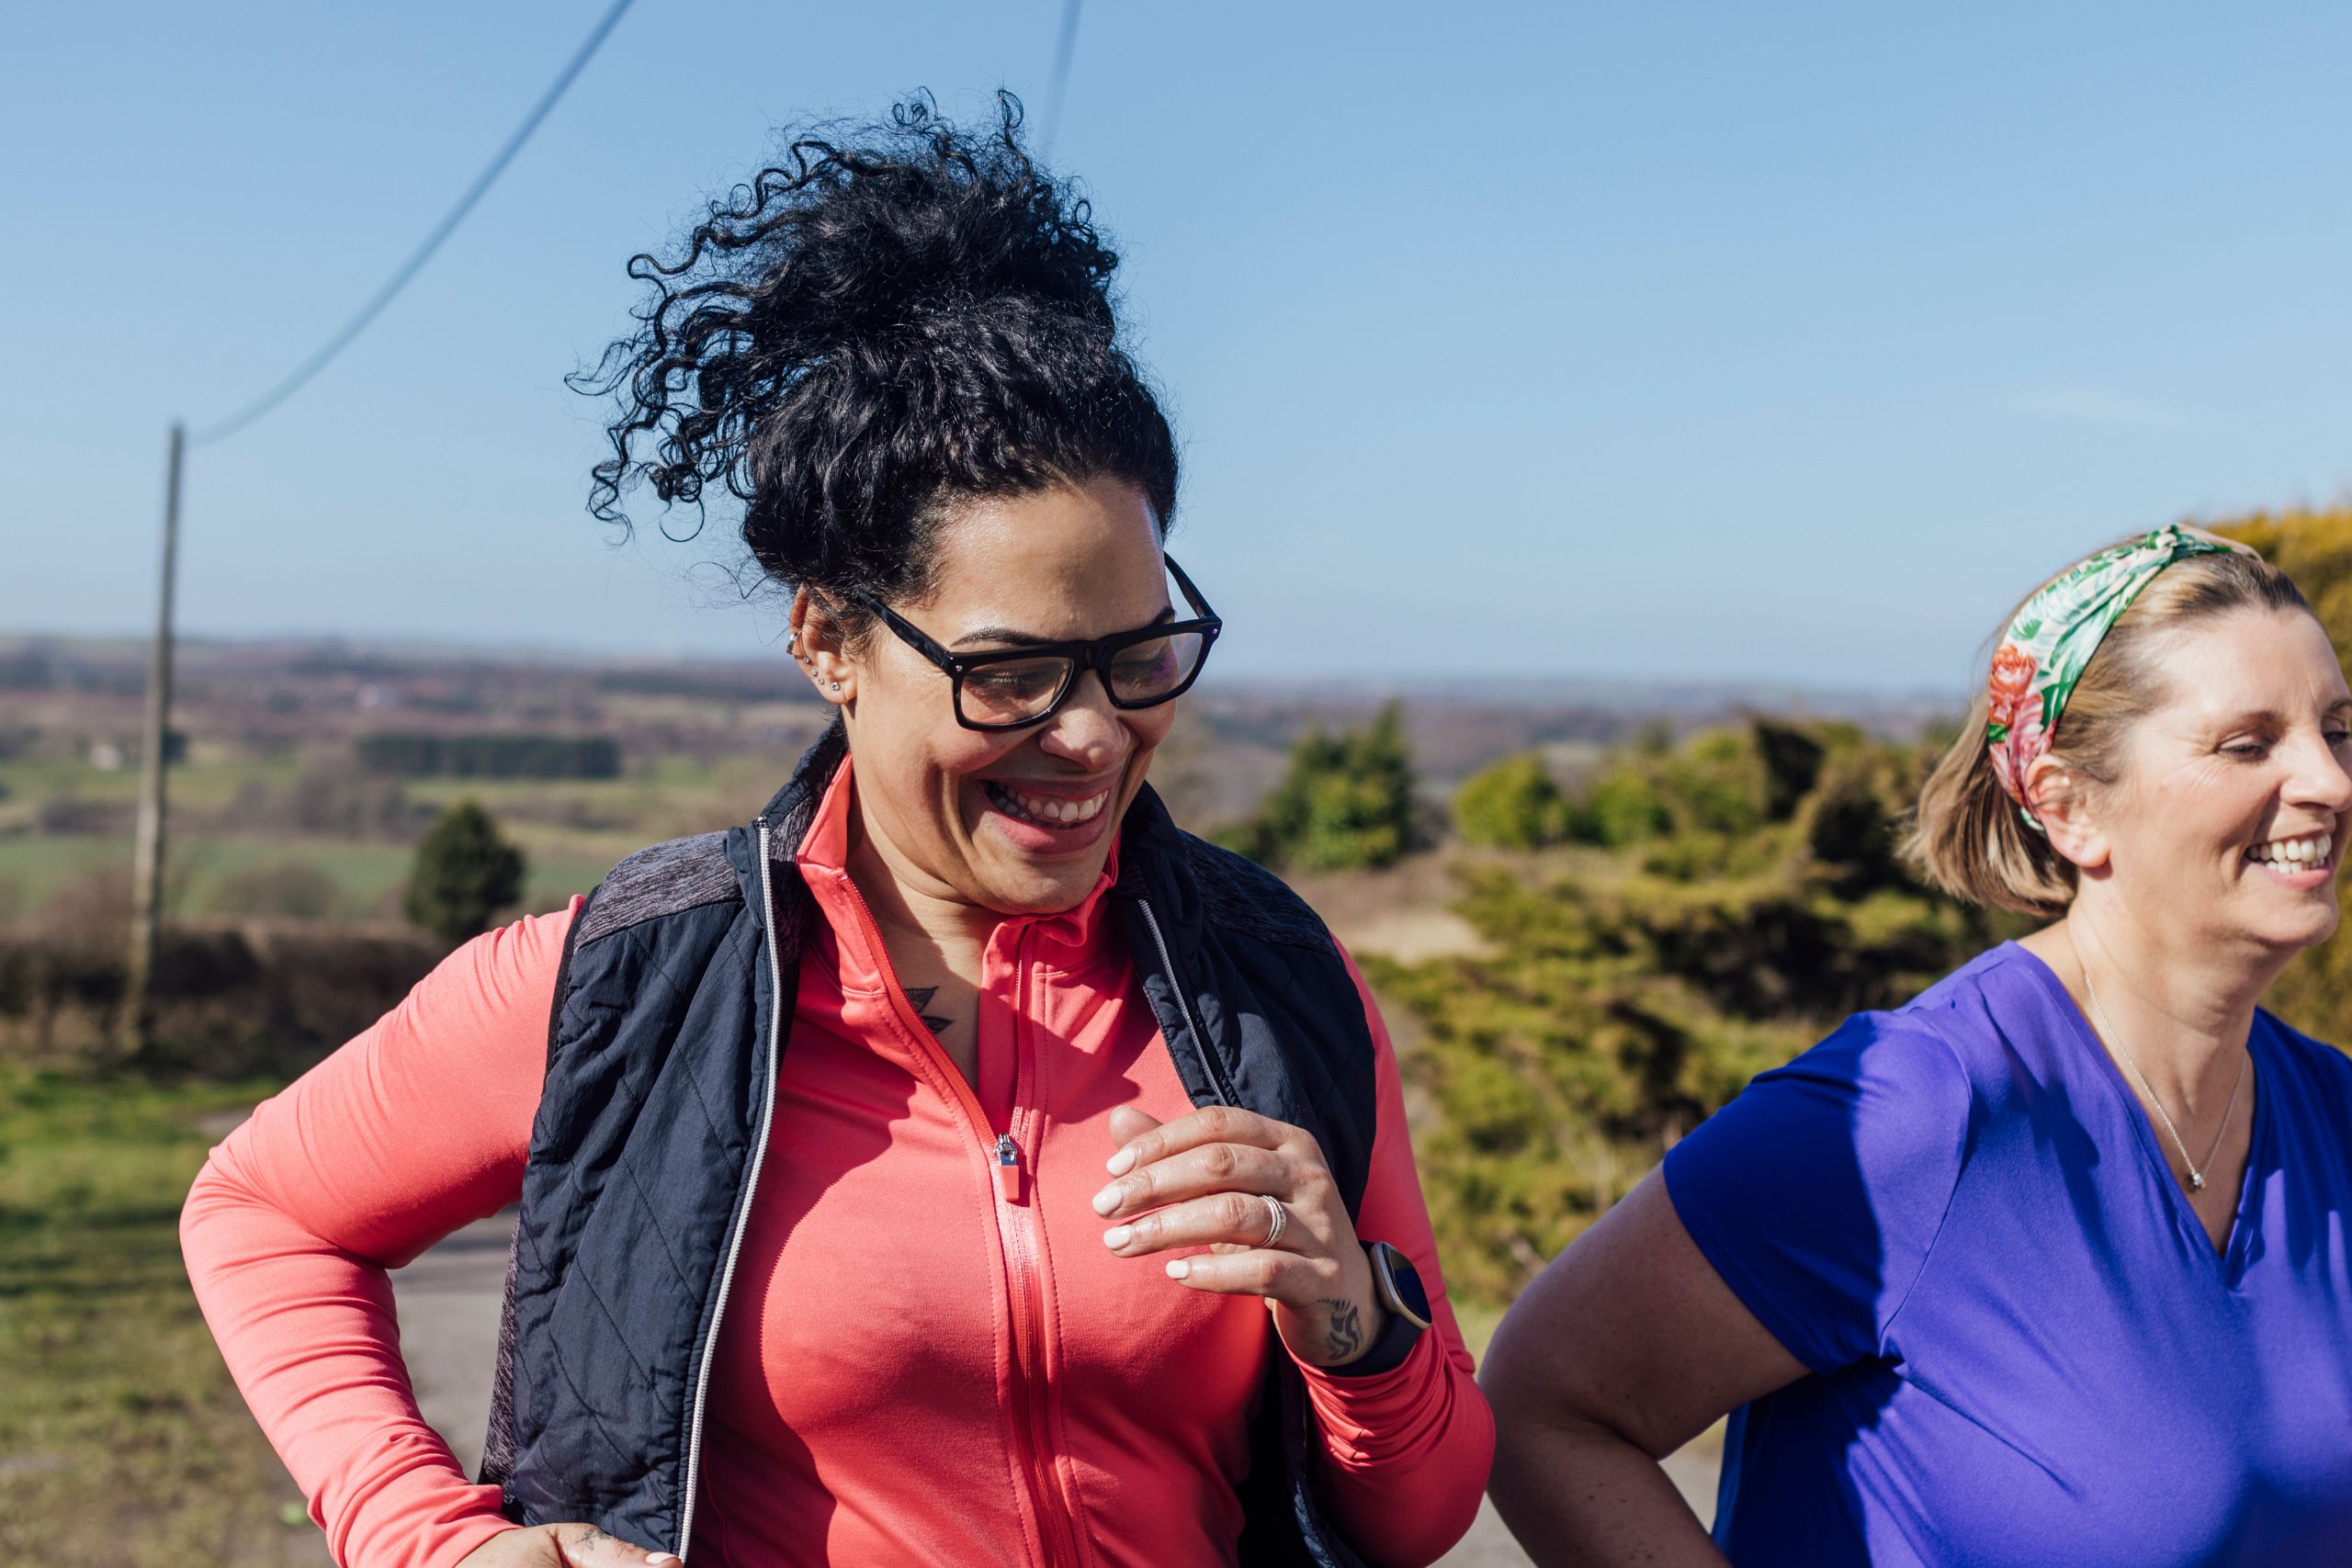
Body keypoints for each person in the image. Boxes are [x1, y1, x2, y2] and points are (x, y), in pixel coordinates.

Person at [180, 96, 1491, 1568]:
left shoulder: (1279, 984)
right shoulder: (625, 983)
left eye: (1138, 654)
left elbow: (1424, 1517)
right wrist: (424, 1532)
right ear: (828, 638)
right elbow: (263, 1208)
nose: (1094, 730)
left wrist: (1354, 1319)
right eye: (1010, 671)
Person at [1481, 525, 2352, 1565]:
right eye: (2248, 743)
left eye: (2337, 728)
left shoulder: (2332, 1113)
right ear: (2069, 807)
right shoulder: (1916, 1107)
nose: (2331, 782)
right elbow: (1545, 1407)